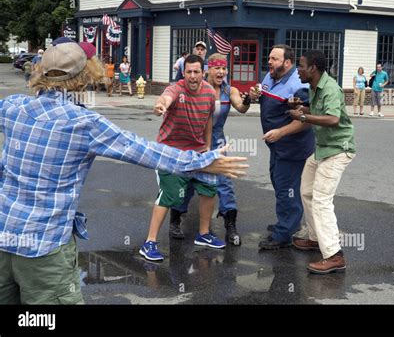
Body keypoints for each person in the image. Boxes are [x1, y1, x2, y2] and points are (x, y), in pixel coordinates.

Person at [0, 38, 248, 304]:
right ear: (85, 76)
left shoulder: (12, 106)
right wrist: (201, 161)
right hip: (45, 248)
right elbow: (142, 150)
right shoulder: (85, 123)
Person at [140, 54, 229, 261]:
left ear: (203, 72)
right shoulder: (176, 89)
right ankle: (149, 242)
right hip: (170, 151)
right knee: (169, 194)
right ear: (183, 73)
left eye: (196, 71)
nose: (192, 76)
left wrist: (207, 146)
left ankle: (204, 234)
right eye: (188, 72)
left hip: (197, 152)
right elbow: (166, 98)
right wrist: (160, 105)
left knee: (209, 187)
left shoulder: (208, 93)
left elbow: (208, 120)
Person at [170, 53, 251, 245]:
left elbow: (241, 107)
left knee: (225, 183)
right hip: (194, 142)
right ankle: (175, 221)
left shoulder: (229, 90)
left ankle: (231, 226)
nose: (221, 72)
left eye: (224, 68)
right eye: (217, 68)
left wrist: (248, 100)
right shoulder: (196, 87)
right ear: (208, 70)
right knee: (186, 183)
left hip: (218, 143)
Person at [288, 50, 356, 274]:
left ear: (313, 68)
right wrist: (302, 108)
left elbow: (333, 119)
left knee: (321, 200)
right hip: (322, 150)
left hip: (338, 150)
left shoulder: (330, 88)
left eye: (301, 66)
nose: (298, 70)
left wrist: (303, 117)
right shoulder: (315, 87)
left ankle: (334, 255)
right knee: (306, 191)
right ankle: (317, 238)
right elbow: (319, 111)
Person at [248, 44, 315, 250]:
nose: (269, 62)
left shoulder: (298, 85)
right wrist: (254, 96)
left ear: (287, 63)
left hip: (293, 147)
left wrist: (280, 132)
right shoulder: (270, 77)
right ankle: (286, 224)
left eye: (274, 59)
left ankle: (284, 234)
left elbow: (306, 119)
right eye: (269, 58)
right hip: (276, 146)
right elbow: (268, 100)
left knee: (287, 189)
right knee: (279, 183)